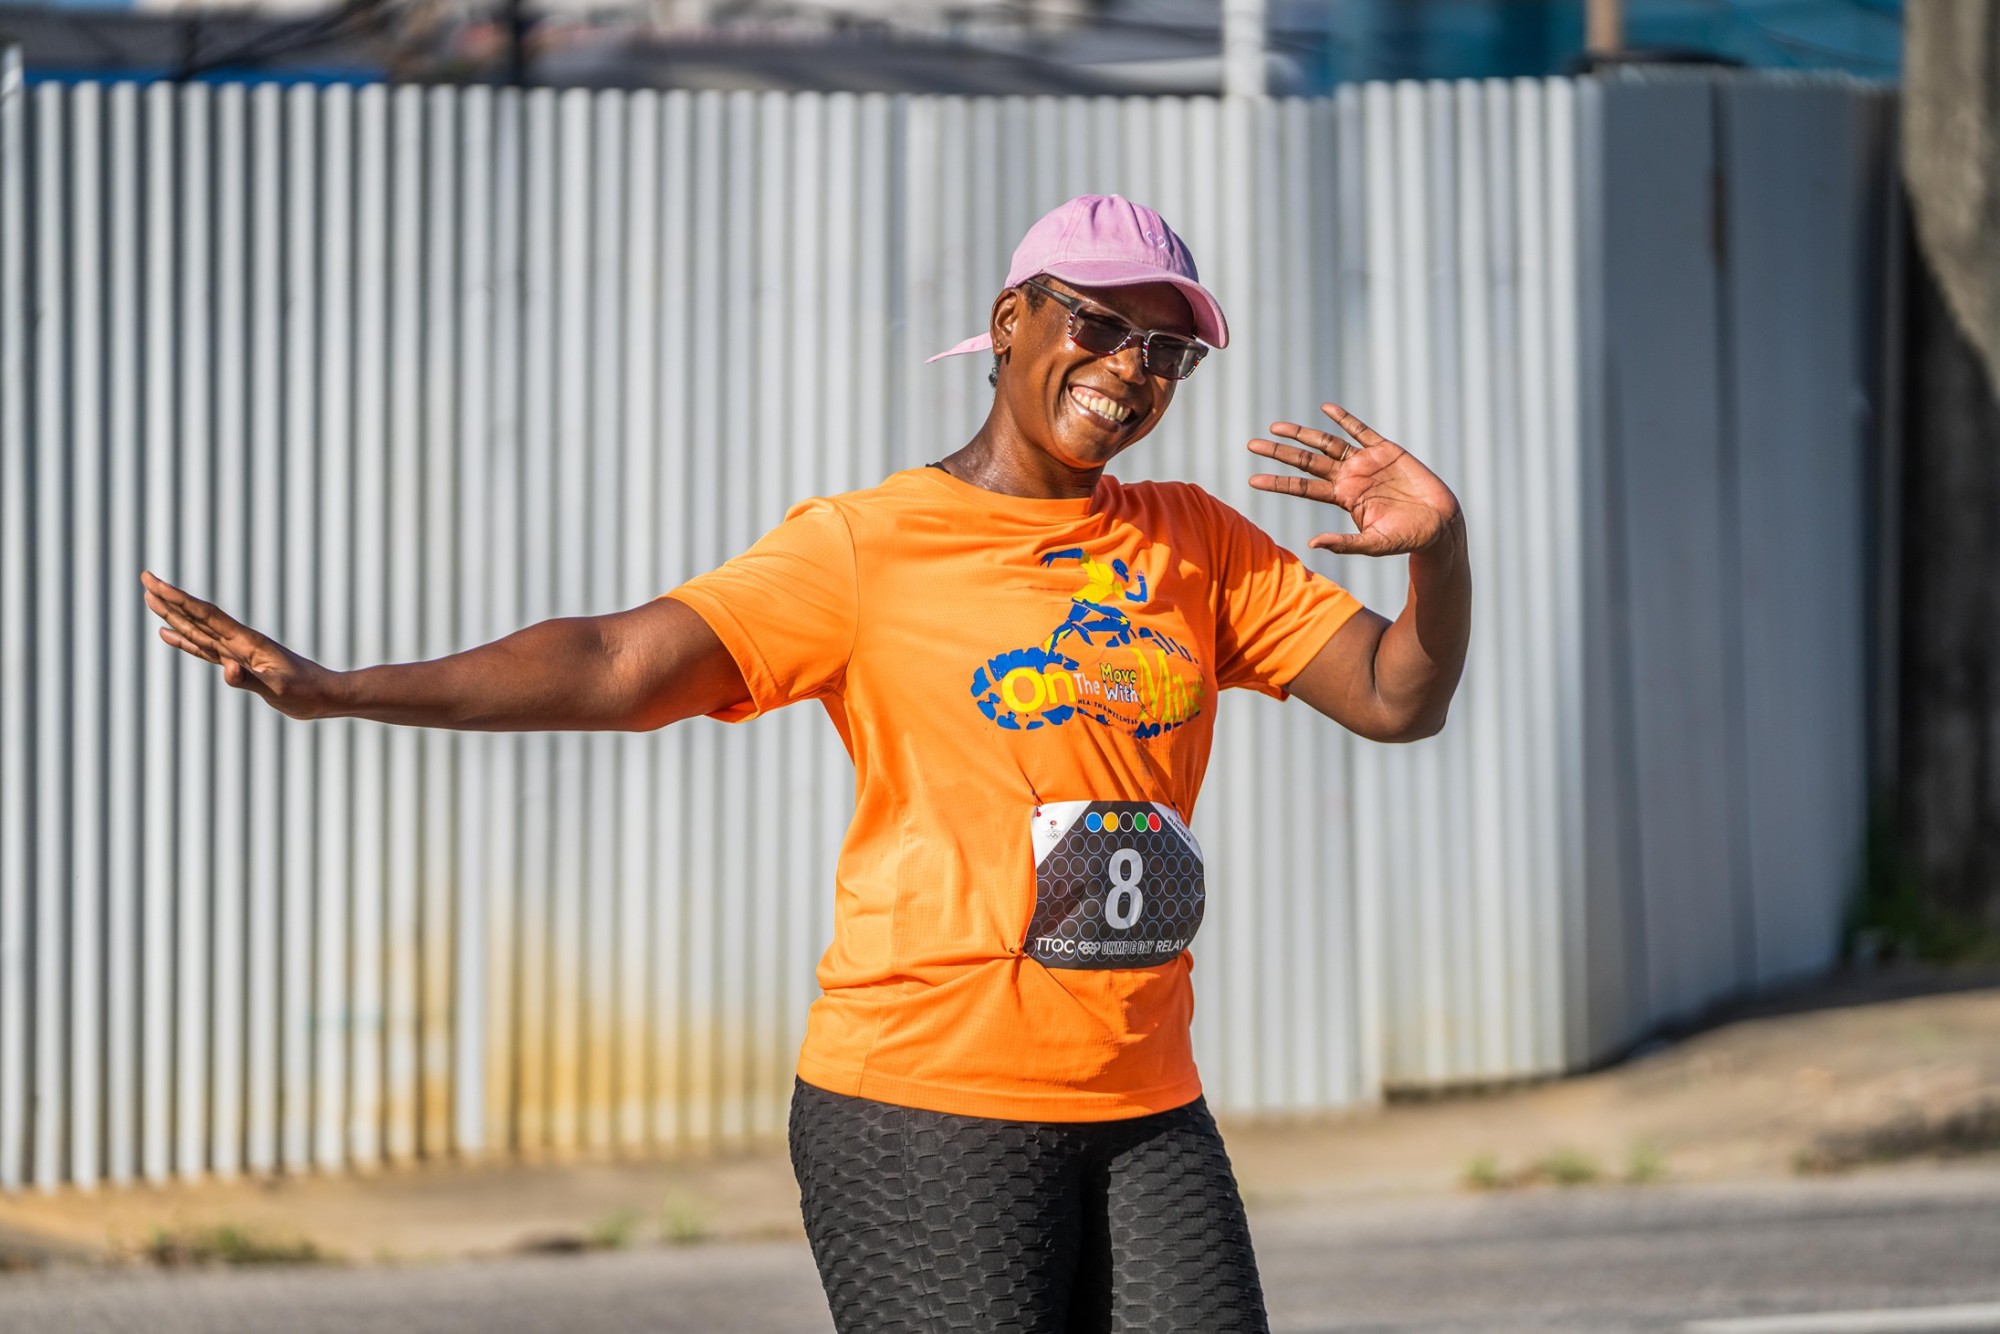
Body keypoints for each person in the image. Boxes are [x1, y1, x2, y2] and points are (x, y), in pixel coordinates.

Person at [142, 194, 1469, 1333]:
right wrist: (344, 689)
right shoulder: (866, 545)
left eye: (1166, 349)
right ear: (1012, 319)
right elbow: (617, 661)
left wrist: (1440, 551)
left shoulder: (1196, 541)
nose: (1131, 366)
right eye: (1099, 323)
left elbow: (1394, 696)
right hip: (927, 1101)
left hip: (1146, 1096)